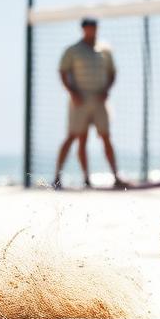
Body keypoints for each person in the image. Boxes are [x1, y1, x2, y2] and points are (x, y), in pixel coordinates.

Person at [53, 18, 128, 190]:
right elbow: (63, 72)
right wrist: (72, 92)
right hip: (79, 100)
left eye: (93, 27)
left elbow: (112, 72)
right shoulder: (73, 50)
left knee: (106, 136)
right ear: (82, 29)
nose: (91, 31)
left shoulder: (105, 49)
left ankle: (116, 176)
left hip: (100, 100)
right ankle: (62, 177)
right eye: (87, 28)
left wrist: (106, 90)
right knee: (76, 137)